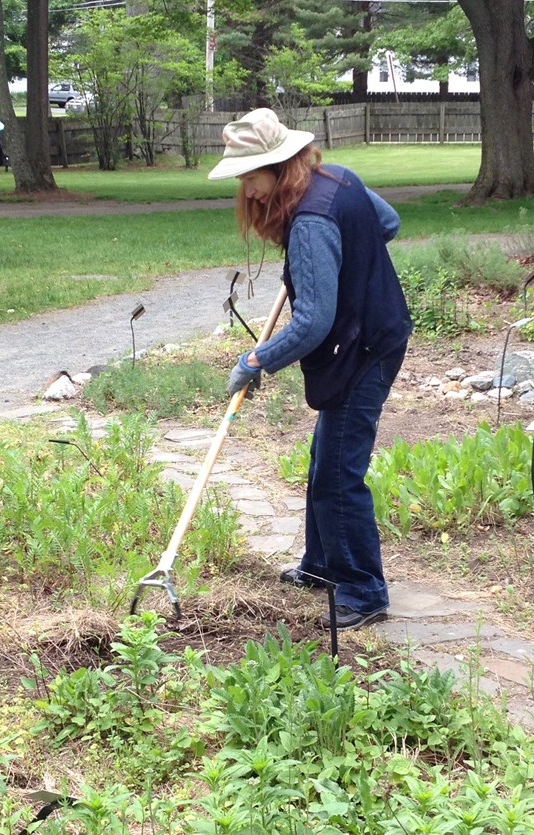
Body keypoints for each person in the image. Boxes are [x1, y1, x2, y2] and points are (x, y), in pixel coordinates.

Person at [209, 108, 413, 632]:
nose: (248, 190)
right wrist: (333, 264)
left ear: (278, 166)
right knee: (326, 459)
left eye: (250, 176)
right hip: (373, 332)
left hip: (364, 347)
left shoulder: (312, 222)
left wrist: (255, 360)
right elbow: (385, 222)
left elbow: (314, 322)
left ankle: (363, 590)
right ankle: (323, 567)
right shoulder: (337, 177)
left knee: (339, 474)